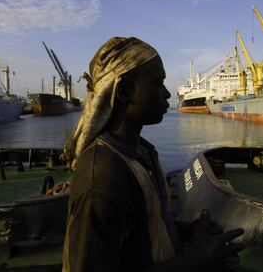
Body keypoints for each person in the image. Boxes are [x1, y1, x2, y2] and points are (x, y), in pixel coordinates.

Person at [62, 37, 244, 272]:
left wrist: (187, 230)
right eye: (158, 84)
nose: (168, 94)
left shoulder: (141, 152)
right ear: (125, 91)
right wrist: (197, 261)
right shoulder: (102, 178)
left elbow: (143, 228)